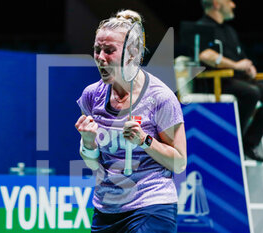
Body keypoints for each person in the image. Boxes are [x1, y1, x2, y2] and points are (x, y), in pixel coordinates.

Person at [75, 9, 187, 233]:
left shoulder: (160, 98)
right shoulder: (91, 96)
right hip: (107, 209)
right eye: (97, 50)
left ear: (132, 53)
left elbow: (179, 162)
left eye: (109, 51)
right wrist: (88, 143)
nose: (100, 57)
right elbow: (93, 164)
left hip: (152, 204)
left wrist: (144, 140)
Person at [196, 0, 263, 162]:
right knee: (251, 93)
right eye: (229, 1)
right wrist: (236, 65)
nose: (234, 5)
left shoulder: (229, 31)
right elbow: (205, 55)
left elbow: (242, 58)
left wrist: (248, 67)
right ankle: (231, 141)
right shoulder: (202, 27)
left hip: (239, 81)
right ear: (216, 3)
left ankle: (248, 143)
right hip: (216, 82)